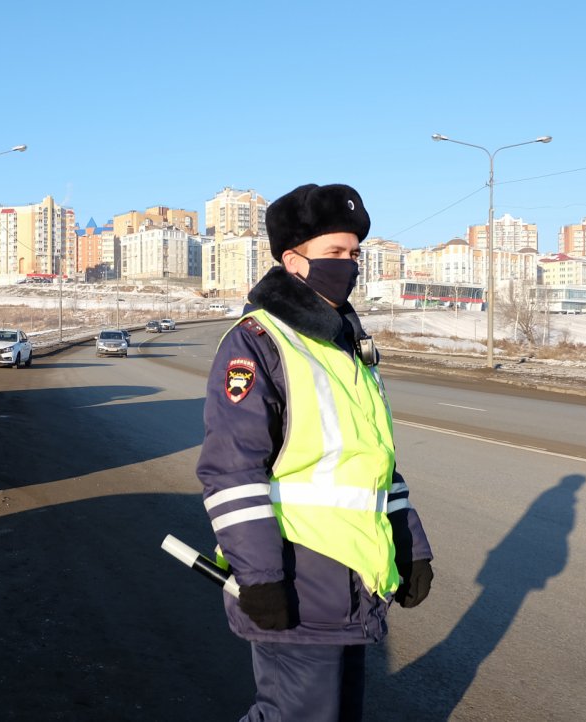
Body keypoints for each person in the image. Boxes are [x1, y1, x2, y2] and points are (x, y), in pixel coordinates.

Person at [196, 183, 434, 721]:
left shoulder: (346, 345)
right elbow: (232, 472)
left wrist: (410, 547)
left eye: (354, 254)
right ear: (292, 261)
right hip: (294, 577)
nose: (348, 265)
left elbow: (373, 465)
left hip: (351, 583)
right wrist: (260, 578)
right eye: (334, 253)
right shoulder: (259, 342)